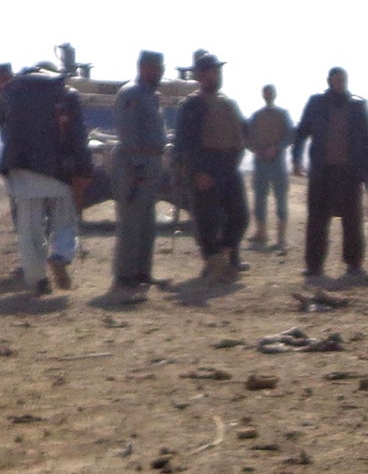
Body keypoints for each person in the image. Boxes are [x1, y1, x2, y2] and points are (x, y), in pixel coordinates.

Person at [1, 62, 91, 295]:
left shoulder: (9, 94)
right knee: (65, 219)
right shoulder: (66, 94)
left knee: (29, 229)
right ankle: (60, 255)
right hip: (59, 170)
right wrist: (84, 169)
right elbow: (78, 136)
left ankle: (38, 280)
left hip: (21, 170)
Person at [292, 67, 368, 281]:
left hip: (350, 172)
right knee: (317, 220)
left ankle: (353, 264)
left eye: (343, 80)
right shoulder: (316, 104)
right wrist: (296, 159)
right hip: (322, 172)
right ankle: (314, 267)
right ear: (329, 81)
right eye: (336, 80)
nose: (340, 83)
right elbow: (301, 132)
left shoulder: (358, 106)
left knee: (352, 219)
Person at [173, 50, 250, 282]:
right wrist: (196, 170)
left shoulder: (228, 103)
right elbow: (184, 142)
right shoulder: (192, 104)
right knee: (207, 218)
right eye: (210, 72)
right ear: (200, 76)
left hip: (228, 164)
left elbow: (242, 132)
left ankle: (226, 255)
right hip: (205, 164)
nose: (215, 76)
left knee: (240, 215)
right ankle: (214, 263)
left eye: (217, 71)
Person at [109, 50, 169, 300]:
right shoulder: (131, 94)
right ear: (144, 67)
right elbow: (128, 136)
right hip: (135, 168)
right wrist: (137, 169)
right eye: (157, 67)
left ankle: (143, 271)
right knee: (131, 222)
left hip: (151, 166)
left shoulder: (151, 95)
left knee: (147, 224)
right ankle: (125, 274)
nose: (161, 71)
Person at [245, 84, 293, 250]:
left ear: (275, 94)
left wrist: (277, 148)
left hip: (277, 162)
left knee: (281, 198)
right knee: (259, 197)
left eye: (270, 93)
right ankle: (261, 232)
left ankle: (281, 237)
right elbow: (247, 137)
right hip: (260, 162)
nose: (268, 95)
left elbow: (290, 135)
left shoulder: (282, 114)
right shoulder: (256, 116)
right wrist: (255, 149)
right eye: (265, 93)